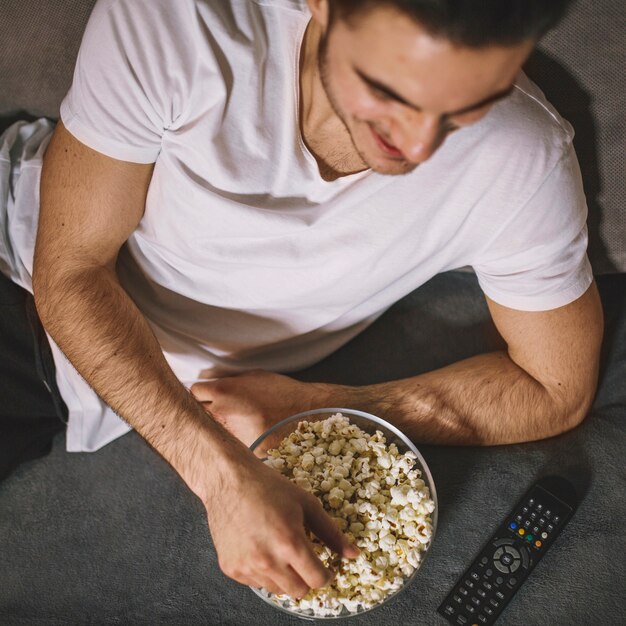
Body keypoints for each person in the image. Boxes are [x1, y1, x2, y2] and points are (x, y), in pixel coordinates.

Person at [0, 0, 603, 601]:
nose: (420, 147)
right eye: (391, 88)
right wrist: (220, 479)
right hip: (20, 279)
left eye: (468, 105)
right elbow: (72, 270)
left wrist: (319, 405)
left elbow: (557, 388)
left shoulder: (524, 157)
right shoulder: (178, 19)